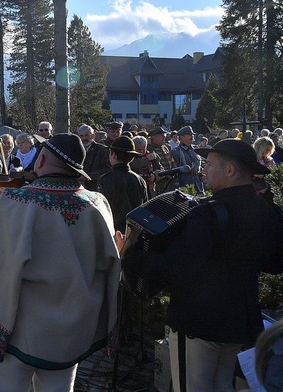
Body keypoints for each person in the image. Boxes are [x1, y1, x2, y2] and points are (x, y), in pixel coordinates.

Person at [0, 133, 120, 391]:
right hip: (72, 331)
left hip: (20, 329)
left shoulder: (18, 202)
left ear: (40, 161)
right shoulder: (98, 204)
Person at [122, 139, 283, 392]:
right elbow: (276, 264)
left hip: (197, 322)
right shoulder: (269, 212)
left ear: (229, 171)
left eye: (208, 165)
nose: (203, 171)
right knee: (222, 385)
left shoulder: (207, 213)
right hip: (239, 321)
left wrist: (131, 255)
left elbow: (174, 267)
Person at [97, 136, 149, 234]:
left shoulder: (105, 180)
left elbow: (102, 210)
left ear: (114, 155)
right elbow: (144, 208)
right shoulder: (139, 180)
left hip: (113, 231)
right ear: (132, 158)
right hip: (134, 233)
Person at [169, 125, 204, 193]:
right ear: (182, 137)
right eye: (189, 135)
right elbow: (174, 170)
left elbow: (200, 165)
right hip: (185, 186)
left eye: (192, 134)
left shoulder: (196, 149)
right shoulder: (175, 152)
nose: (192, 136)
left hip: (198, 185)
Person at [78, 124, 111, 191]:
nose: (84, 138)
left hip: (96, 189)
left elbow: (107, 170)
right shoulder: (76, 150)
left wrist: (87, 176)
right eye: (82, 136)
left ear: (93, 136)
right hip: (79, 189)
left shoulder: (102, 150)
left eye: (87, 135)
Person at [147, 126, 174, 194]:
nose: (164, 137)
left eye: (164, 135)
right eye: (161, 135)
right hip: (158, 181)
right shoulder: (149, 149)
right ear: (153, 137)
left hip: (170, 180)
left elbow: (172, 161)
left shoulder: (166, 147)